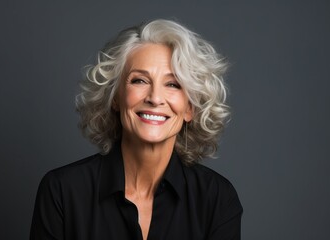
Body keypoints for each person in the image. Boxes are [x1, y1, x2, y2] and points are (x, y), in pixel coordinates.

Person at [30, 19, 243, 240]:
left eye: (173, 84)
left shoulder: (217, 198)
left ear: (190, 108)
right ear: (115, 97)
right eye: (140, 81)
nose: (155, 98)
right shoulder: (63, 191)